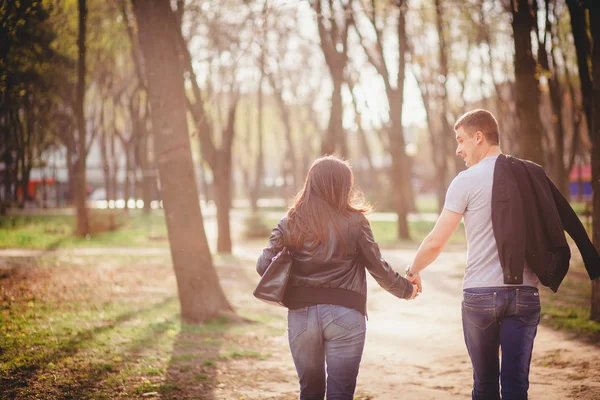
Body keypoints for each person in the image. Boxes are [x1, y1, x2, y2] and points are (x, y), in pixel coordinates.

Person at [404, 109, 600, 400]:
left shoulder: (466, 181)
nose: (458, 149)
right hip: (524, 295)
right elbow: (568, 218)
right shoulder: (531, 173)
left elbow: (435, 242)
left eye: (461, 140)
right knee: (516, 386)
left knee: (484, 386)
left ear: (479, 138)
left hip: (480, 295)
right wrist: (593, 265)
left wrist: (412, 270)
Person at [256, 155, 418, 400]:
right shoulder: (356, 221)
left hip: (301, 316)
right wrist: (406, 290)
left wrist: (289, 251)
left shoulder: (290, 221)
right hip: (346, 314)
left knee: (309, 392)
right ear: (343, 186)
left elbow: (263, 265)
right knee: (341, 394)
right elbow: (378, 267)